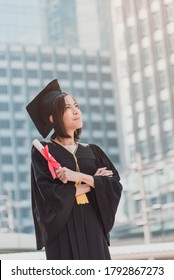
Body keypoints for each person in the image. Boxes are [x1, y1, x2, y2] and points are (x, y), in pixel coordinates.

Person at [26, 79, 123, 260]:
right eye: (67, 108)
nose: (76, 111)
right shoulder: (43, 152)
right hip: (63, 231)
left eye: (76, 105)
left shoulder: (93, 151)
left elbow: (114, 184)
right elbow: (49, 193)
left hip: (93, 227)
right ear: (53, 119)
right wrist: (92, 181)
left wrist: (78, 176)